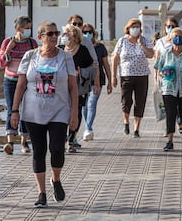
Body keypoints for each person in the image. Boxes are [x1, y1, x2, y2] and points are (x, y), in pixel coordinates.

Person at [11, 21, 78, 207]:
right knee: (38, 151)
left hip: (59, 110)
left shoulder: (65, 57)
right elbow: (21, 85)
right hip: (33, 112)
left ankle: (56, 179)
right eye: (50, 34)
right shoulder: (30, 56)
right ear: (40, 37)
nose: (54, 36)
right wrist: (15, 110)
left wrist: (74, 114)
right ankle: (41, 193)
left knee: (57, 148)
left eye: (56, 33)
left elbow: (73, 87)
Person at [0, 16, 38, 155]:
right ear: (18, 29)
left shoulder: (32, 44)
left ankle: (24, 140)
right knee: (12, 109)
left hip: (27, 81)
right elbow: (1, 63)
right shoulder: (8, 42)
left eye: (29, 28)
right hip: (11, 80)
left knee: (25, 109)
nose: (28, 30)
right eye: (26, 28)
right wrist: (8, 50)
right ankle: (10, 141)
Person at [112, 18, 154, 138]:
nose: (135, 29)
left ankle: (136, 128)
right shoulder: (123, 40)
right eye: (133, 27)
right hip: (126, 75)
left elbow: (151, 55)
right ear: (128, 28)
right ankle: (126, 122)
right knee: (126, 100)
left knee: (140, 101)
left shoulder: (144, 40)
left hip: (142, 75)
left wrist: (141, 44)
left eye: (137, 27)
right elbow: (115, 58)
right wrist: (114, 76)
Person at [59, 23, 97, 152]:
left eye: (67, 33)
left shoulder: (83, 50)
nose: (64, 36)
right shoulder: (59, 50)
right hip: (61, 87)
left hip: (79, 86)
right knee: (63, 112)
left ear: (74, 36)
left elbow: (93, 67)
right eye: (63, 34)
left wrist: (82, 72)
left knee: (76, 110)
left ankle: (71, 139)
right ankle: (62, 137)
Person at [153, 18, 182, 134]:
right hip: (166, 79)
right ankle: (168, 129)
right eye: (168, 26)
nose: (170, 28)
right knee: (168, 105)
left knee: (179, 103)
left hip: (181, 78)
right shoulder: (161, 42)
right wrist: (156, 77)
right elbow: (157, 61)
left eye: (172, 26)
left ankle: (179, 122)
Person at [81, 23, 112, 141]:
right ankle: (87, 127)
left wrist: (110, 81)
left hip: (98, 80)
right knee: (84, 106)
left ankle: (88, 128)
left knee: (91, 103)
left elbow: (106, 65)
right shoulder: (80, 46)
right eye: (85, 32)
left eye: (90, 32)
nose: (87, 34)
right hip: (83, 81)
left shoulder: (100, 47)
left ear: (94, 34)